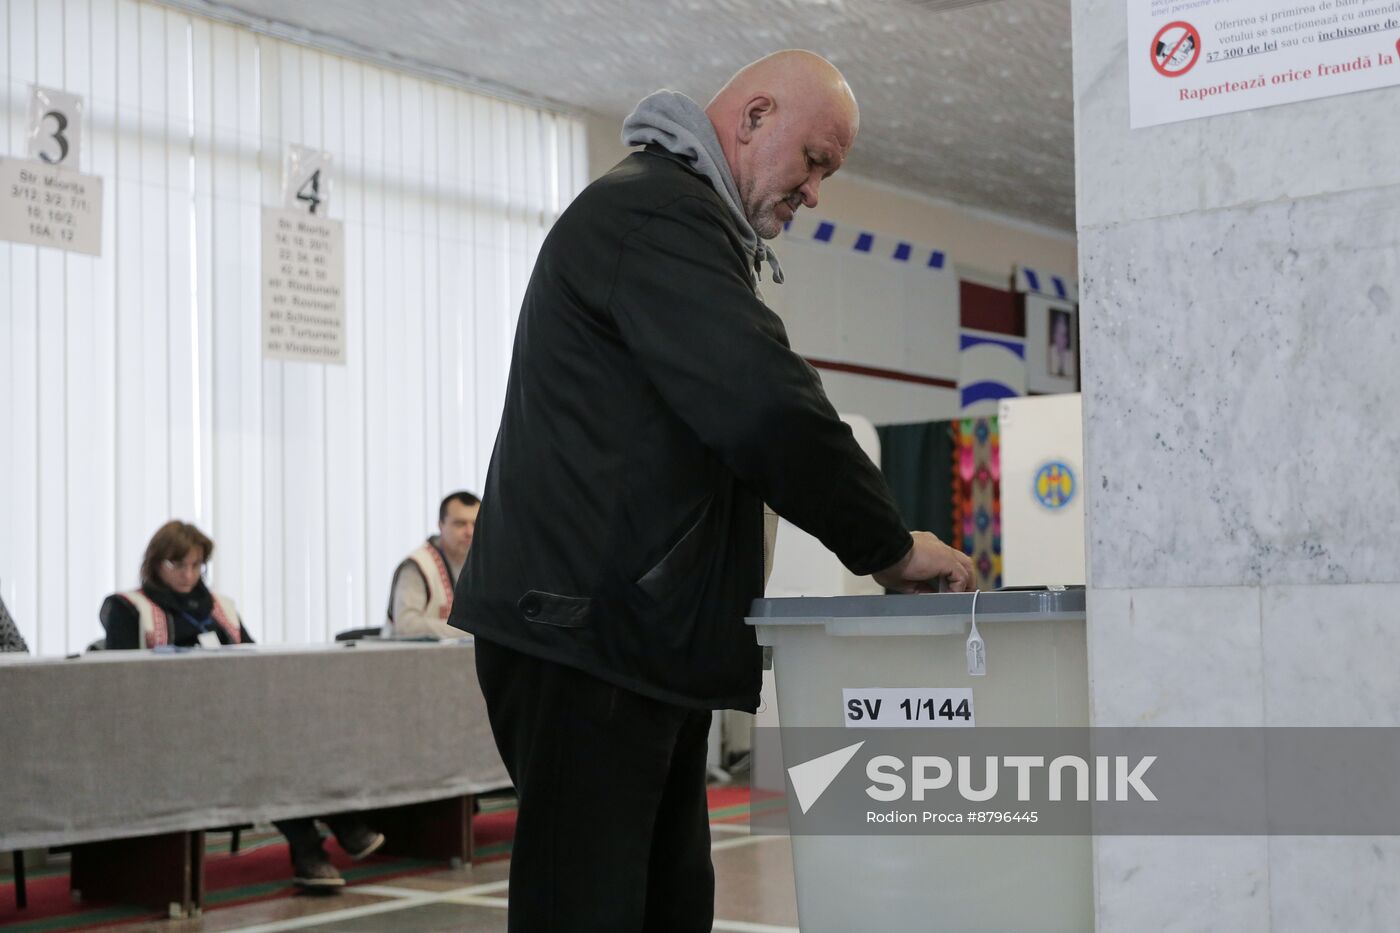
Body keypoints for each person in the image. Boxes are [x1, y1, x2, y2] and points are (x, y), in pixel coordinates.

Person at [450, 50, 974, 932]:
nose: (815, 193)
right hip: (591, 636)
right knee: (588, 907)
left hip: (623, 636)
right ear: (754, 116)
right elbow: (766, 402)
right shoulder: (656, 214)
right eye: (815, 160)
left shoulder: (674, 221)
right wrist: (887, 544)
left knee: (665, 903)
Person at [100, 521, 385, 889]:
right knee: (265, 752)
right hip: (167, 734)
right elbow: (117, 684)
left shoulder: (221, 608)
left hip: (233, 723)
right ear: (155, 564)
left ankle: (314, 848)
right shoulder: (127, 607)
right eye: (177, 565)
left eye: (196, 565)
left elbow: (254, 665)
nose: (188, 575)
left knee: (292, 737)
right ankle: (326, 835)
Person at [385, 491, 480, 638]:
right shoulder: (417, 566)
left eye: (475, 523)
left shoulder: (483, 566)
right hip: (413, 659)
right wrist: (471, 630)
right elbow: (406, 626)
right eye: (460, 524)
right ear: (440, 525)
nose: (469, 532)